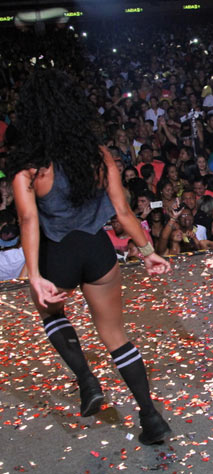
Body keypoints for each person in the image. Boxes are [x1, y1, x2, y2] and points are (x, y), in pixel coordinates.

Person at [7, 69, 172, 445]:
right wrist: (148, 252)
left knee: (50, 311)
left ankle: (86, 379)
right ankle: (151, 417)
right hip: (98, 252)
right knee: (115, 334)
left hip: (58, 255)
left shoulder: (30, 169)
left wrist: (34, 276)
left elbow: (29, 220)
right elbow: (124, 212)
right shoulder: (97, 156)